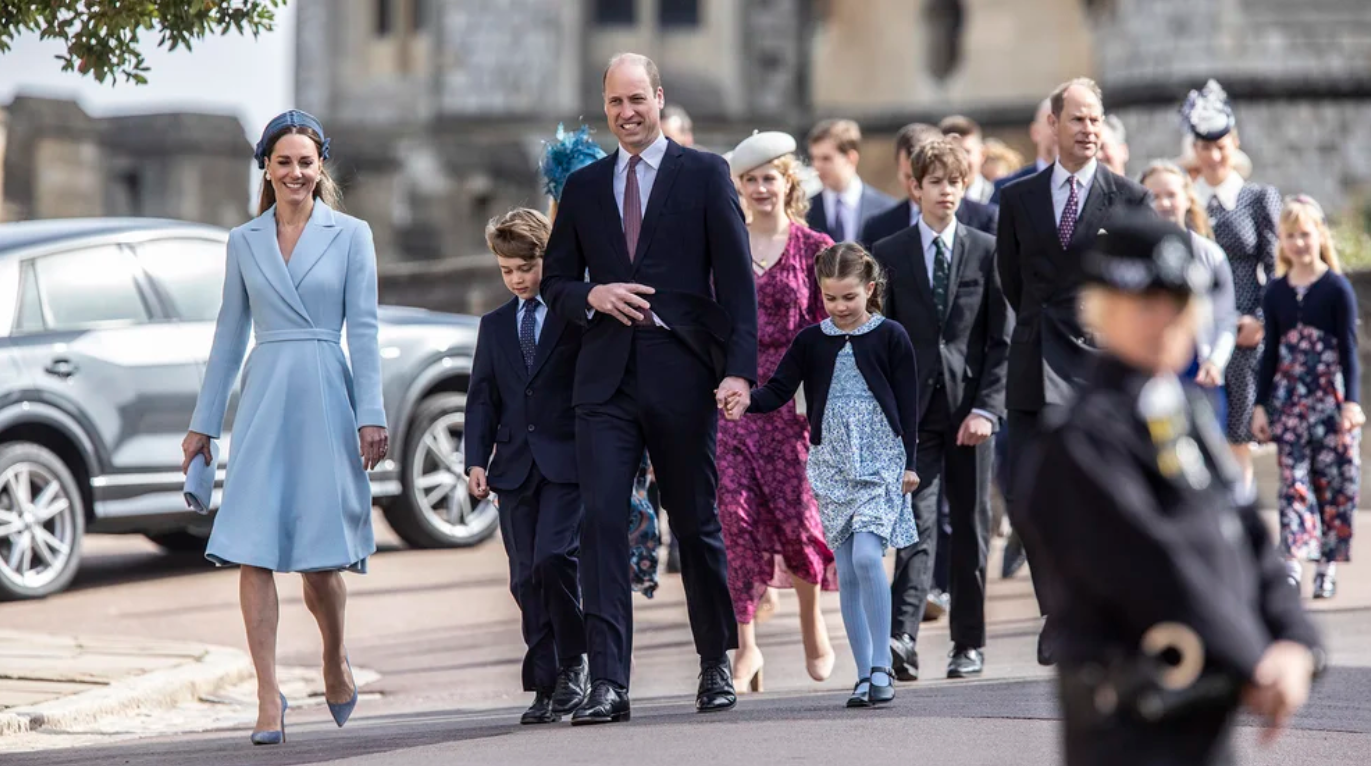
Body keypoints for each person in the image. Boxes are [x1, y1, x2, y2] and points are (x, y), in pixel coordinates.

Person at [1018, 210, 1323, 765]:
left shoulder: (1183, 410)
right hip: (1131, 731)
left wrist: (1297, 641)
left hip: (1206, 720)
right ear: (1105, 311)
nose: (1166, 319)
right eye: (1146, 303)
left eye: (1179, 303)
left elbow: (1248, 535)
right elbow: (1157, 565)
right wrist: (1256, 660)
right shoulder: (1081, 441)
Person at [540, 52, 757, 724]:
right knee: (602, 524)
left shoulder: (705, 174)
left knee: (693, 523)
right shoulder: (581, 189)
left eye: (637, 100)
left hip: (682, 370)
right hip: (603, 379)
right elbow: (553, 284)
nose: (627, 114)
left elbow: (738, 287)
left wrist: (737, 370)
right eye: (614, 103)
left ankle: (715, 661)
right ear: (603, 108)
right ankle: (610, 682)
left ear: (658, 98)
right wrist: (592, 294)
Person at [180, 110, 384, 745]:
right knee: (252, 549)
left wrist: (372, 413)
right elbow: (227, 335)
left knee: (321, 566)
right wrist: (203, 425)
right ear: (266, 167)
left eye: (306, 161)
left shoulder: (352, 235)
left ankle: (332, 656)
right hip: (265, 397)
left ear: (321, 166)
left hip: (326, 392)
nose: (295, 172)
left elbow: (367, 330)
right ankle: (268, 695)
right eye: (283, 161)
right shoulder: (243, 240)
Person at [996, 78, 1153, 666]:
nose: (1089, 129)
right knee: (1032, 497)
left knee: (1106, 495)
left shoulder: (1129, 198)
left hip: (1098, 369)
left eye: (1097, 120)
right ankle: (1057, 612)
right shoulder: (1018, 199)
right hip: (1035, 366)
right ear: (1053, 125)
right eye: (1078, 119)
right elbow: (1011, 282)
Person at [724, 243, 920, 709]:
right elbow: (777, 390)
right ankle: (864, 672)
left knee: (871, 558)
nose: (840, 306)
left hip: (880, 460)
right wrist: (746, 398)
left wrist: (910, 462)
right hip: (832, 464)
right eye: (831, 298)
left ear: (870, 289)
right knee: (850, 568)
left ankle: (882, 665)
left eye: (849, 297)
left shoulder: (891, 336)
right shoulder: (812, 340)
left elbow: (909, 404)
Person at [874, 138, 1009, 682]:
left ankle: (967, 644)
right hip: (915, 417)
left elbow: (1001, 340)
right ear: (915, 187)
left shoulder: (986, 249)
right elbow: (878, 339)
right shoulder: (890, 250)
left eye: (955, 182)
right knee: (915, 524)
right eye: (936, 182)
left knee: (971, 531)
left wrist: (987, 410)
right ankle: (901, 637)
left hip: (971, 415)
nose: (947, 192)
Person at [719, 131, 838, 692]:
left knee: (799, 524)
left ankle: (813, 622)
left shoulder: (815, 247)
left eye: (771, 177)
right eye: (751, 180)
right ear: (738, 187)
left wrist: (819, 401)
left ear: (788, 181)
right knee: (734, 522)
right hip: (733, 404)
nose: (762, 188)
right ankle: (746, 646)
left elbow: (828, 332)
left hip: (792, 409)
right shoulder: (724, 246)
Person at [464, 209, 588, 725]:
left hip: (567, 462)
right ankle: (544, 683)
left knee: (553, 559)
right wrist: (475, 459)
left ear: (546, 259)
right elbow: (481, 398)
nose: (517, 279)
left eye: (526, 267)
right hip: (512, 468)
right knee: (523, 579)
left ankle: (576, 662)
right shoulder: (494, 327)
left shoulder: (573, 314)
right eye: (506, 270)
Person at [1252, 195, 1364, 599]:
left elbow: (1349, 351)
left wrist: (1351, 402)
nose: (1299, 243)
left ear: (1319, 235)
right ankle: (1293, 561)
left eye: (1305, 234)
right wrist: (1262, 404)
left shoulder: (1337, 288)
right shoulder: (1276, 292)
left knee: (1332, 481)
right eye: (1290, 236)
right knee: (1293, 481)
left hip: (1329, 399)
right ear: (1280, 241)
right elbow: (1270, 353)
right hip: (1291, 400)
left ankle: (1327, 564)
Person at [1182, 79, 1282, 509]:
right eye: (1204, 146)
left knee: (1237, 439)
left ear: (1234, 142)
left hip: (1243, 333)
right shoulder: (1186, 201)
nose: (1213, 154)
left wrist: (1261, 320)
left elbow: (1275, 266)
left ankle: (1237, 529)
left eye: (1220, 144)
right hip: (1193, 326)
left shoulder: (1258, 198)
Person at [1140, 161, 1237, 426]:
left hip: (1200, 373)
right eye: (1154, 197)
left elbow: (1226, 318)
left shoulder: (1210, 255)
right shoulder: (1137, 257)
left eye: (1171, 195)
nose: (1163, 203)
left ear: (1186, 197)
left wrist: (1215, 362)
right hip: (1153, 377)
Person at [859, 122, 998, 249]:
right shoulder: (879, 228)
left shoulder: (986, 221)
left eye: (933, 179)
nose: (917, 186)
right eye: (909, 177)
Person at [805, 119, 897, 242]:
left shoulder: (886, 209)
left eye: (826, 159)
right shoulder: (804, 210)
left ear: (851, 158)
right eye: (814, 158)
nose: (817, 166)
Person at [990, 97, 1057, 204]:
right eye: (1052, 123)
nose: (1058, 131)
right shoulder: (1008, 188)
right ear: (1035, 132)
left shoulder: (1086, 185)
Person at [939, 115, 994, 204]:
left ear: (982, 155)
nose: (960, 160)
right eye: (951, 152)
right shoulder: (930, 203)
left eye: (966, 152)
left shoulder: (997, 198)